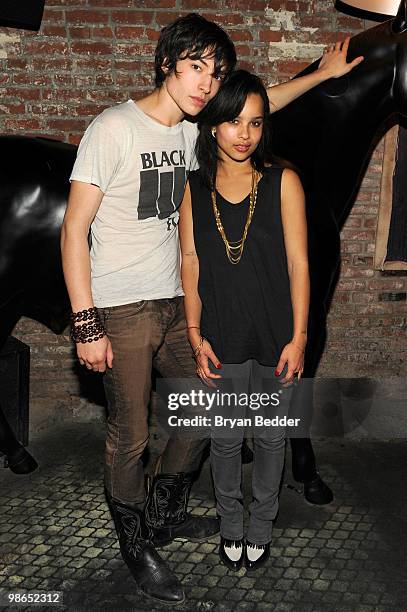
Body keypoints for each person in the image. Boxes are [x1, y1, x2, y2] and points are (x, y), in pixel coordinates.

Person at [60, 12, 363, 603]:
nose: (205, 82)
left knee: (203, 415)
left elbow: (252, 106)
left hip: (179, 302)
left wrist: (319, 75)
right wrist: (86, 322)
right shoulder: (113, 128)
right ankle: (135, 541)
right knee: (129, 436)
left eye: (214, 71)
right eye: (194, 66)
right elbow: (74, 231)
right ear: (166, 64)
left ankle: (165, 508)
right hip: (121, 305)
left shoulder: (196, 127)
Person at [179, 69, 309, 571]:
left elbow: (300, 264)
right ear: (213, 125)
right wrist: (194, 332)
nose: (244, 134)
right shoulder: (194, 187)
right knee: (228, 438)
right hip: (221, 336)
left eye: (255, 123)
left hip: (276, 334)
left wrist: (299, 338)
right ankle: (230, 524)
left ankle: (262, 524)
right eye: (234, 122)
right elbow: (190, 261)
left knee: (272, 437)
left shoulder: (284, 181)